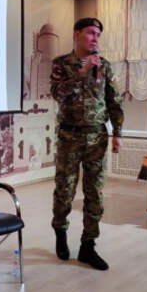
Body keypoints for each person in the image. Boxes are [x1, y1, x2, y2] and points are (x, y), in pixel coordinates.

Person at [50, 17, 124, 271]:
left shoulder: (105, 66)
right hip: (69, 138)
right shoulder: (61, 64)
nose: (95, 38)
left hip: (97, 139)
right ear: (77, 34)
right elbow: (57, 94)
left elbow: (114, 102)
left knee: (94, 194)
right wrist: (81, 72)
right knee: (65, 191)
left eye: (98, 35)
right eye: (91, 33)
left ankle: (88, 246)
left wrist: (118, 134)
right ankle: (60, 231)